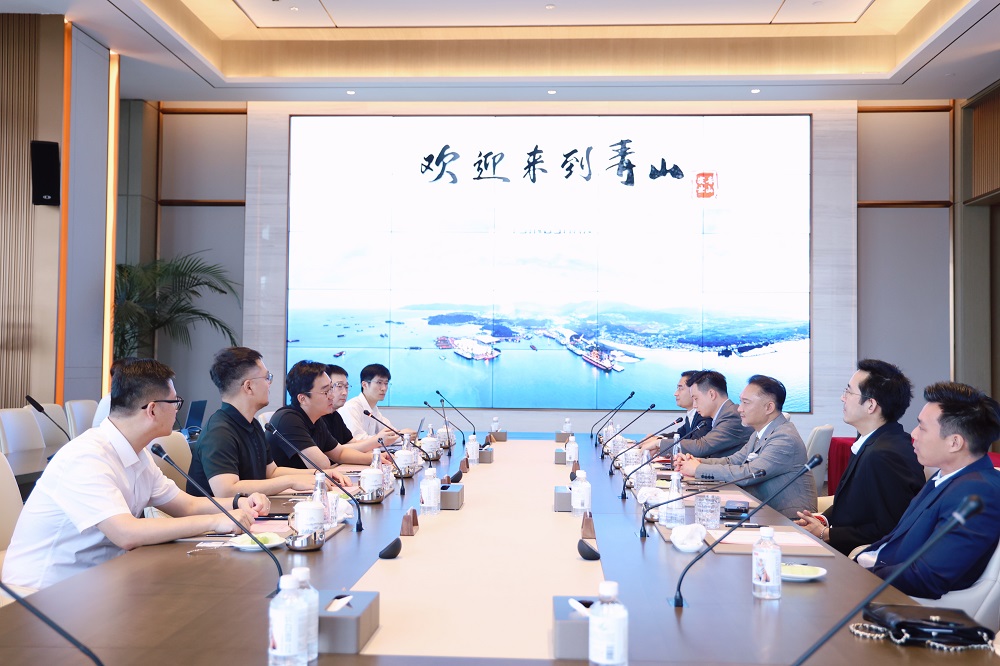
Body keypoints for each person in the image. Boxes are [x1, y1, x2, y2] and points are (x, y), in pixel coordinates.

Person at [2, 358, 269, 592]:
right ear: (152, 409)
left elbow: (186, 505)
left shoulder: (139, 453)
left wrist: (239, 503)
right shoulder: (86, 457)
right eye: (175, 402)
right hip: (43, 593)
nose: (177, 409)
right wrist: (215, 521)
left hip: (101, 581)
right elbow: (126, 533)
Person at [855, 382, 1000, 600]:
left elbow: (927, 578)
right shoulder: (947, 476)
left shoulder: (979, 493)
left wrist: (858, 576)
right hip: (878, 573)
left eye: (922, 428)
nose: (913, 433)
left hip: (897, 600)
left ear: (954, 442)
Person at [795, 360, 925, 555]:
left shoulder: (885, 455)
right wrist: (822, 520)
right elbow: (853, 504)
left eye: (849, 392)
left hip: (859, 560)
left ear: (871, 405)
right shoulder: (875, 440)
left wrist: (825, 534)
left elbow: (887, 529)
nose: (842, 398)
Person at [187, 347, 347, 498]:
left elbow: (271, 472)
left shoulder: (252, 424)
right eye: (266, 378)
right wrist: (290, 482)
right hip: (221, 517)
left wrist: (317, 474)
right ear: (248, 387)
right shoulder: (219, 432)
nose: (269, 383)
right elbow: (227, 490)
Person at [676, 375, 817, 520]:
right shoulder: (760, 432)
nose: (739, 409)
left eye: (746, 403)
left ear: (769, 407)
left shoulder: (784, 438)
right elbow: (733, 461)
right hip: (763, 513)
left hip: (790, 521)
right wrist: (697, 462)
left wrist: (698, 469)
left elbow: (749, 474)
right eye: (740, 402)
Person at [268, 361, 392, 469]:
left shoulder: (316, 419)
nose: (332, 396)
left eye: (331, 389)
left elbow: (340, 453)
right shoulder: (288, 419)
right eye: (326, 391)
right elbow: (322, 464)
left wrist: (375, 458)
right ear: (303, 399)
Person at [646, 370, 752, 458]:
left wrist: (659, 443)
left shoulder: (732, 416)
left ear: (711, 394)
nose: (695, 405)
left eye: (696, 399)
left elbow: (702, 446)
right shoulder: (724, 414)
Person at [320, 364, 396, 453]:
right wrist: (378, 440)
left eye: (346, 387)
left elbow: (352, 443)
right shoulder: (350, 408)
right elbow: (336, 452)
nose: (345, 392)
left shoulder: (335, 415)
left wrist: (375, 455)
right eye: (339, 386)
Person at [338, 363, 414, 445]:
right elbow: (357, 439)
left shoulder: (373, 408)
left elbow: (389, 431)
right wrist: (401, 436)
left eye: (386, 383)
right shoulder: (351, 407)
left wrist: (403, 435)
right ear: (364, 385)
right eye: (379, 383)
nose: (384, 388)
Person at [644, 370, 709, 446]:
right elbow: (680, 435)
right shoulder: (691, 414)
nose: (675, 393)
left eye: (680, 388)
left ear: (694, 389)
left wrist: (659, 442)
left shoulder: (705, 416)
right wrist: (658, 438)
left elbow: (694, 445)